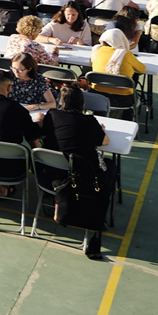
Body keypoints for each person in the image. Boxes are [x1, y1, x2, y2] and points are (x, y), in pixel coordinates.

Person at [40, 85, 114, 259]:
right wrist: (101, 130)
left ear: (60, 101)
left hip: (53, 176)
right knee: (110, 167)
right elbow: (105, 142)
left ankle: (52, 198)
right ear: (82, 102)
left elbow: (44, 132)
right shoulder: (89, 121)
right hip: (81, 178)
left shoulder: (52, 116)